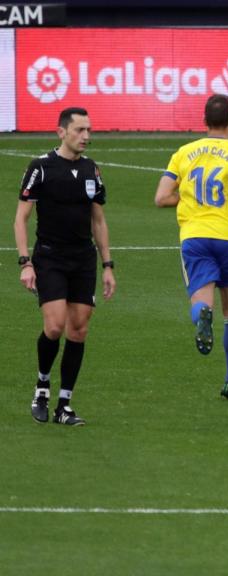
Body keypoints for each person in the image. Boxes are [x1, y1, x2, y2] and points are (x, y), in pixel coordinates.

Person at [154, 94, 228, 398]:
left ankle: (203, 315)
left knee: (201, 301)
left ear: (204, 120)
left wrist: (188, 198)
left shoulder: (184, 152)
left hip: (195, 236)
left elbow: (161, 197)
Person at [15, 107, 116, 426]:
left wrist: (108, 265)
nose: (86, 136)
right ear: (62, 132)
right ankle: (42, 388)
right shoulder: (41, 168)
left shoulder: (91, 170)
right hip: (50, 257)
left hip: (83, 259)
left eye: (89, 130)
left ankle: (64, 405)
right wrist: (25, 262)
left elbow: (98, 220)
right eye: (79, 130)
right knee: (55, 326)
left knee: (79, 329)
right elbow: (21, 218)